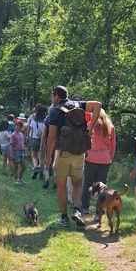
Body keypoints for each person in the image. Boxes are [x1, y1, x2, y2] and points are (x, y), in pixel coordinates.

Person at [46, 85, 101, 227]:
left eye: (53, 96)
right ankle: (77, 210)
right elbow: (98, 105)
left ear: (56, 96)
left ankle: (64, 218)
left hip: (62, 153)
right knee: (77, 183)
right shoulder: (79, 105)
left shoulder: (55, 111)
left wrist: (48, 157)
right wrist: (90, 127)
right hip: (79, 152)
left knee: (61, 186)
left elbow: (51, 137)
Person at [81, 109, 116, 218]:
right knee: (102, 187)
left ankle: (85, 207)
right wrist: (110, 157)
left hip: (91, 157)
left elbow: (85, 141)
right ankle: (98, 212)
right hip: (105, 159)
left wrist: (84, 153)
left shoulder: (90, 125)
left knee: (87, 183)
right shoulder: (111, 127)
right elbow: (113, 145)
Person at [29, 103, 47, 177]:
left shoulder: (34, 120)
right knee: (42, 157)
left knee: (34, 155)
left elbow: (31, 130)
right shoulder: (45, 121)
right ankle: (41, 171)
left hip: (34, 139)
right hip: (43, 140)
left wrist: (29, 138)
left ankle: (35, 166)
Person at [10, 119, 26, 185]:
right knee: (16, 166)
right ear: (15, 126)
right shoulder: (13, 135)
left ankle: (20, 178)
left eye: (20, 126)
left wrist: (24, 150)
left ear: (21, 127)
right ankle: (15, 179)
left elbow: (23, 143)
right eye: (17, 125)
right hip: (15, 151)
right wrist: (12, 154)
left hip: (21, 151)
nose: (18, 127)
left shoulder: (21, 134)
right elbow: (11, 145)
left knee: (23, 166)